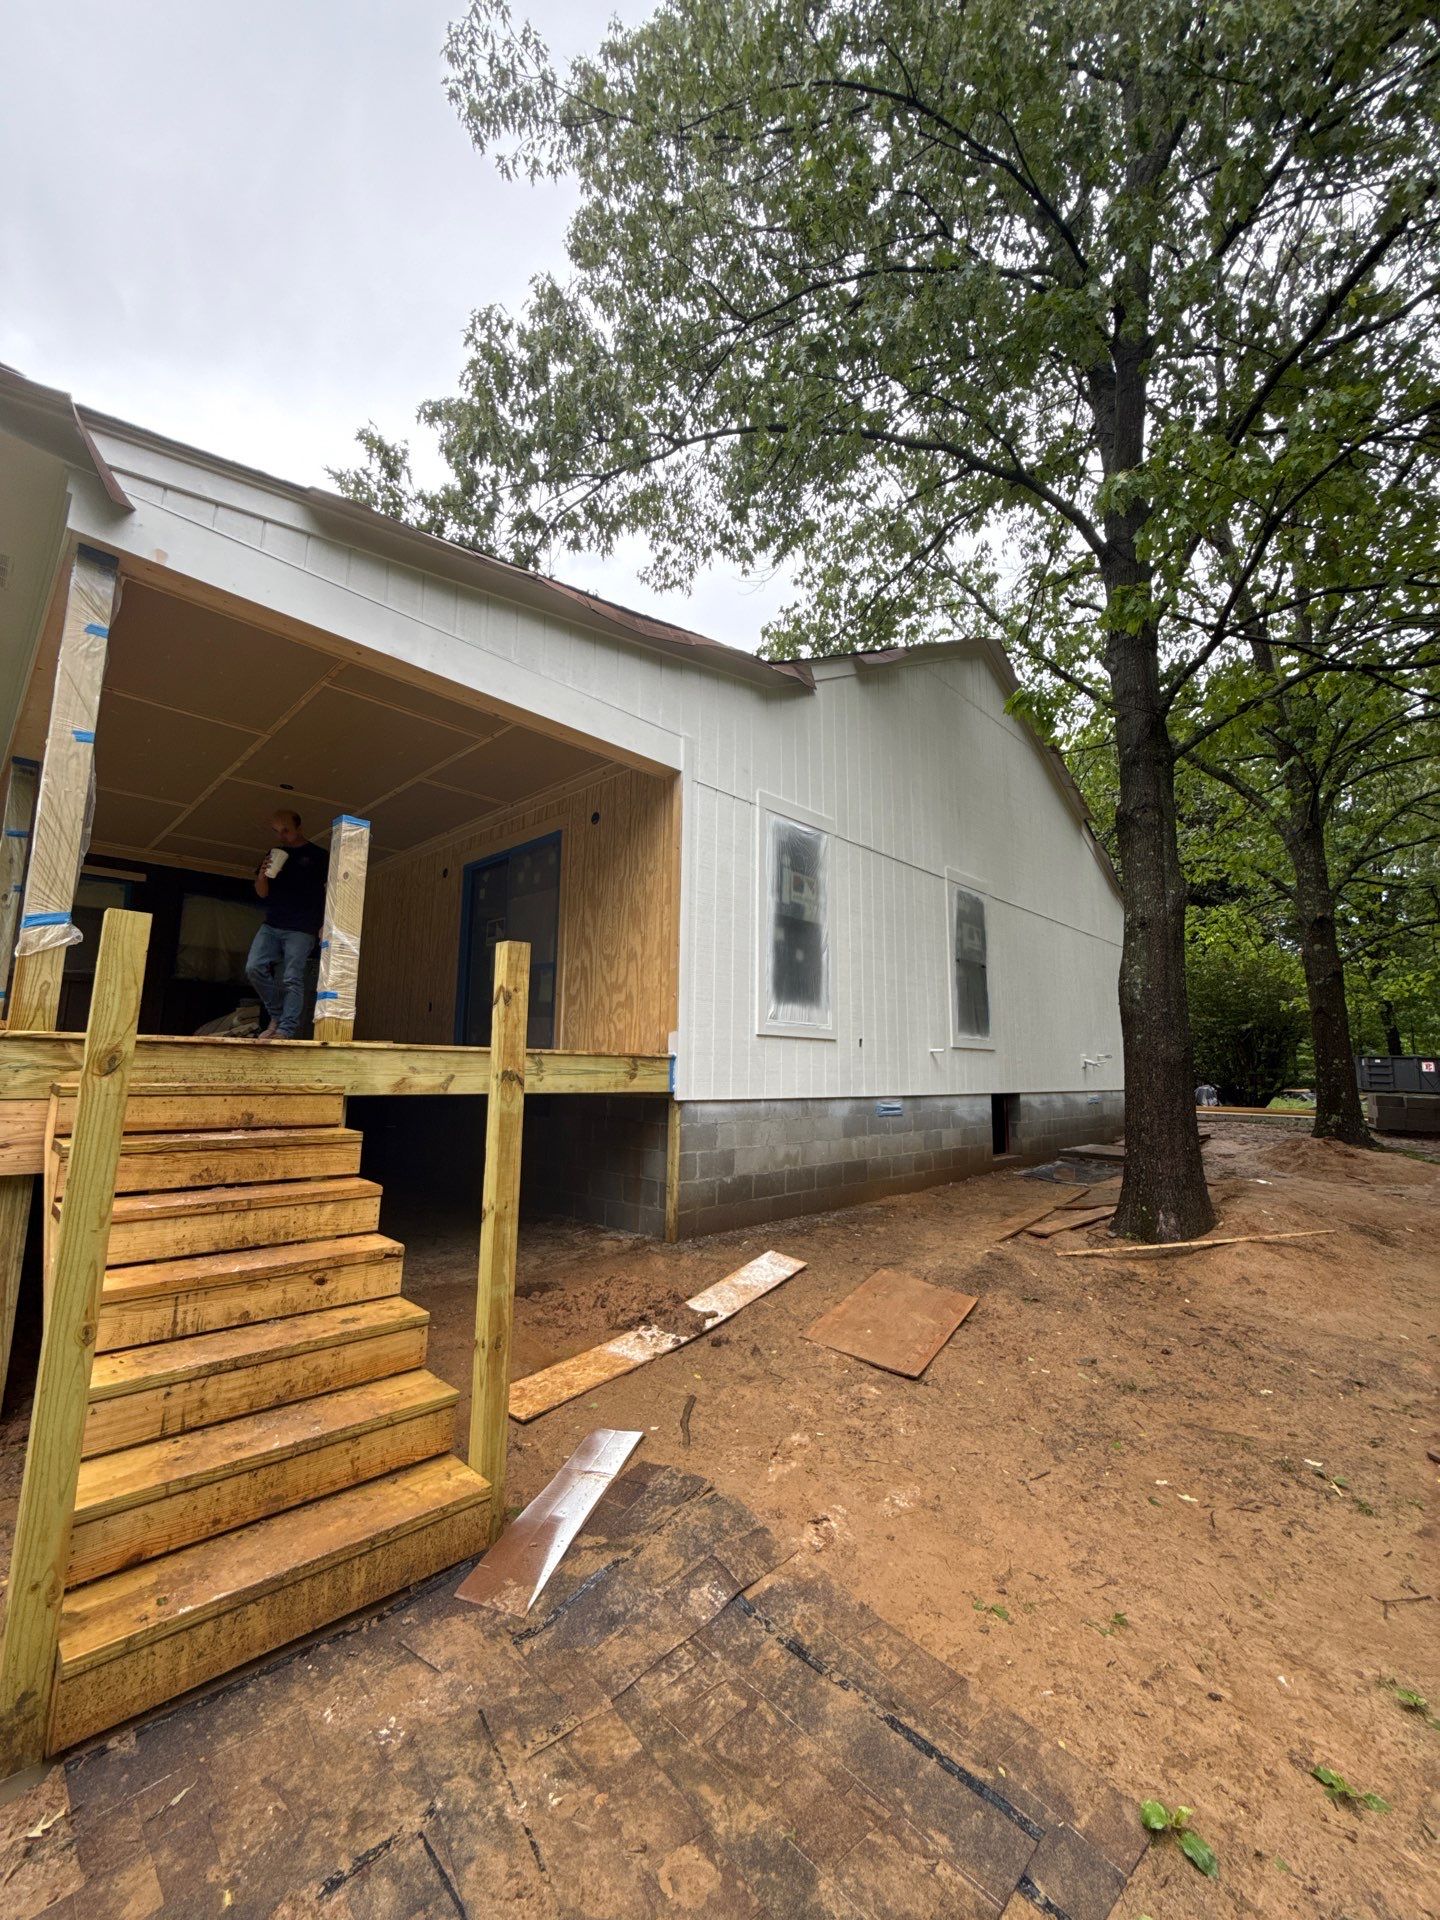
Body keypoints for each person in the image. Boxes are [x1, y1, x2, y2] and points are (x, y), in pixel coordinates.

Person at [246, 810, 328, 1040]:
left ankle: (285, 1029)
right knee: (253, 967)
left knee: (292, 977)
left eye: (286, 830)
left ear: (299, 828)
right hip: (272, 923)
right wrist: (262, 875)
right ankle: (277, 1014)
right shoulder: (275, 853)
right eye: (277, 831)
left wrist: (325, 924)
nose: (282, 836)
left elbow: (332, 891)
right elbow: (262, 893)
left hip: (302, 927)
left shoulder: (319, 856)